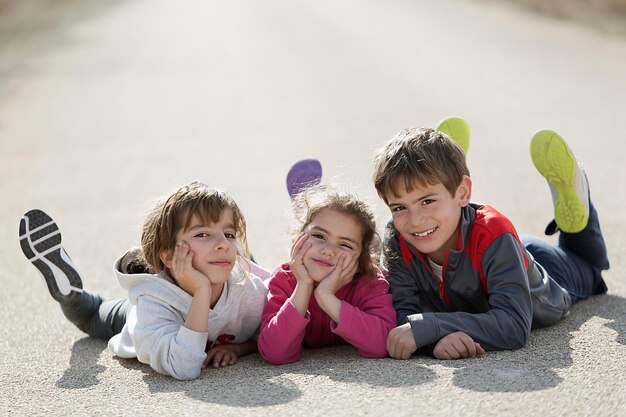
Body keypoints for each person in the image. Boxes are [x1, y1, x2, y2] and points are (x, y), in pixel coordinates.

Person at [373, 127, 609, 360]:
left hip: (544, 277)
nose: (415, 220)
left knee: (590, 268)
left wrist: (435, 326)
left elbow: (514, 325)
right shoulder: (397, 237)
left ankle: (577, 197)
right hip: (499, 254)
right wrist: (434, 342)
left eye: (427, 201)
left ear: (464, 192)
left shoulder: (494, 233)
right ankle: (445, 180)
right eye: (400, 207)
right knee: (476, 234)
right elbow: (404, 320)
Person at [19, 182, 267, 380]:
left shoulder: (248, 289)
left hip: (228, 274)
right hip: (140, 311)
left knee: (246, 265)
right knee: (91, 315)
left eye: (229, 234)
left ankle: (247, 253)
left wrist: (239, 348)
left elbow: (271, 334)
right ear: (169, 256)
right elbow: (184, 367)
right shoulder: (151, 304)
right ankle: (70, 294)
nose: (223, 242)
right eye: (202, 233)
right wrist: (201, 291)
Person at [258, 185, 397, 365]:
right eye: (319, 236)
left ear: (362, 257)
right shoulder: (284, 278)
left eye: (345, 245)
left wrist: (326, 297)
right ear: (297, 237)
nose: (329, 251)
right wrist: (303, 286)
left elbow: (383, 343)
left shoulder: (369, 281)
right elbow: (274, 352)